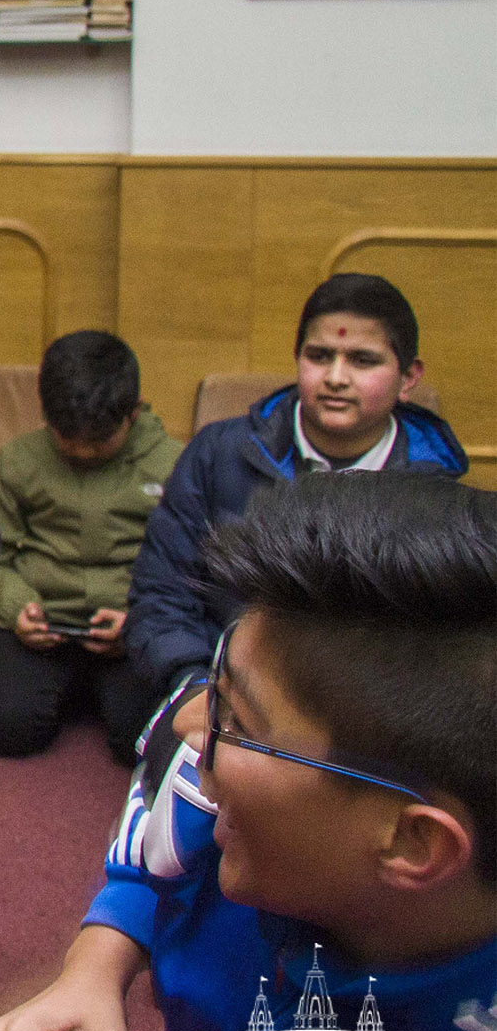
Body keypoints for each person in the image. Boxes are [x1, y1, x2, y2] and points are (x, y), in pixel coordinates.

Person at [0, 471, 497, 1031]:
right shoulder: (236, 822)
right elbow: (155, 865)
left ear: (412, 841)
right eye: (216, 688)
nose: (187, 727)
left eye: (238, 721)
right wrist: (93, 967)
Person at [126, 272, 467, 710]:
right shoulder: (218, 454)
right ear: (297, 358)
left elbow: (440, 647)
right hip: (223, 690)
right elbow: (163, 591)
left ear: (408, 377)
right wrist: (192, 687)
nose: (336, 378)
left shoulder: (434, 489)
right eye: (320, 356)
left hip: (365, 714)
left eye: (363, 361)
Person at [0, 331, 179, 763]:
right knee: (3, 730)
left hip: (134, 628)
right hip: (43, 628)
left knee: (144, 743)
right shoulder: (18, 462)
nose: (82, 451)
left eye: (99, 442)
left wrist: (142, 620)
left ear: (133, 412)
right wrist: (17, 609)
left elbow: (192, 567)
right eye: (68, 439)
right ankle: (79, 691)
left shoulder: (173, 464)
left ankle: (95, 692)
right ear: (46, 416)